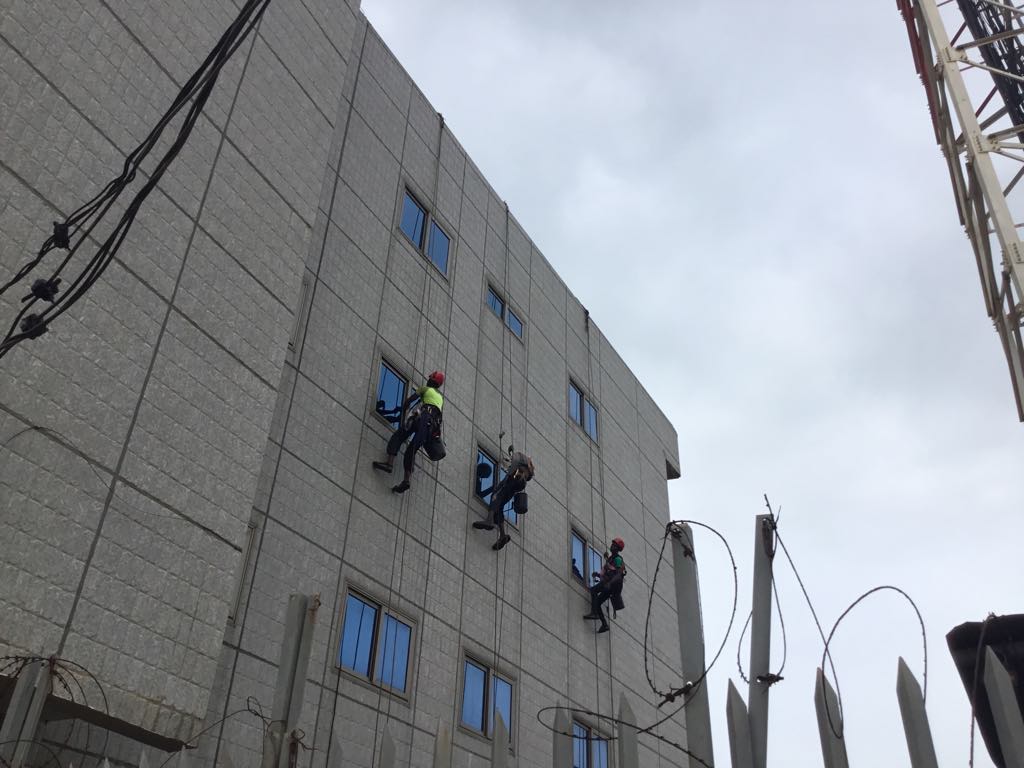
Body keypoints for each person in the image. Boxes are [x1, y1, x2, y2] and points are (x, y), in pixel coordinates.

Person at [372, 371, 444, 493]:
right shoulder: (440, 398)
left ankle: (389, 464)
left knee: (399, 435)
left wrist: (403, 411)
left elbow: (409, 401)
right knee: (412, 450)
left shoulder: (425, 389)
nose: (428, 378)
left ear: (432, 380)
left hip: (421, 418)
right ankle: (406, 480)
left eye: (430, 377)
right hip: (430, 427)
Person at [472, 447, 534, 551]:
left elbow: (507, 479)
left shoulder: (518, 461)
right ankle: (502, 535)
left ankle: (489, 520)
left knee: (496, 496)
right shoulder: (526, 466)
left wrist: (499, 488)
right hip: (519, 484)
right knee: (499, 506)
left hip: (515, 480)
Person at [584, 538, 626, 633]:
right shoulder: (611, 559)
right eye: (612, 545)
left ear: (618, 549)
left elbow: (618, 575)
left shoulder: (618, 559)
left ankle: (594, 613)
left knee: (593, 590)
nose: (611, 546)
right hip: (609, 585)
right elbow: (609, 572)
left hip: (610, 584)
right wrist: (598, 575)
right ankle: (604, 624)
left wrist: (609, 584)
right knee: (597, 602)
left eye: (614, 546)